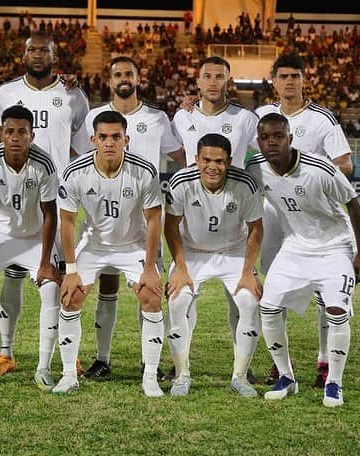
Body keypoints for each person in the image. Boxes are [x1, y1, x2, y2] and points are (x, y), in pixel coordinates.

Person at [0, 31, 91, 377]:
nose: (37, 55)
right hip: (17, 200)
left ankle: (67, 352)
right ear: (23, 55)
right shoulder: (6, 93)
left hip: (58, 198)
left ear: (54, 55)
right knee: (13, 276)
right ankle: (6, 353)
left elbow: (80, 147)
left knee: (62, 278)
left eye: (43, 50)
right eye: (31, 49)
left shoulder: (74, 95)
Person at [247, 113, 360, 407]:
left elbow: (354, 203)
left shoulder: (320, 168)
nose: (271, 142)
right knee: (267, 306)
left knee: (336, 309)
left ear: (290, 138)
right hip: (296, 247)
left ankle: (334, 383)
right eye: (265, 137)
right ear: (259, 142)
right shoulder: (256, 169)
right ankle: (287, 378)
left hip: (335, 246)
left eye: (278, 136)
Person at [82, 56, 184, 380]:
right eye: (117, 75)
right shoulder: (92, 118)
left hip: (143, 221)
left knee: (148, 289)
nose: (123, 79)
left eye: (129, 74)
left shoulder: (157, 118)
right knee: (106, 287)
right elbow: (82, 159)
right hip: (104, 220)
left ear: (138, 79)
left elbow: (182, 155)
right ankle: (102, 359)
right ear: (109, 81)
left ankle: (147, 361)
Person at [256, 53, 353, 387]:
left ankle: (325, 360)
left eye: (295, 75)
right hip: (274, 215)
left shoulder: (321, 118)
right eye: (282, 76)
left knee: (325, 293)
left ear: (303, 79)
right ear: (274, 80)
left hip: (312, 216)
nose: (289, 82)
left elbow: (344, 163)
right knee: (274, 290)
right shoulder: (262, 116)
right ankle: (280, 366)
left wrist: (308, 183)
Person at [52, 111, 165, 397]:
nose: (110, 142)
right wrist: (71, 268)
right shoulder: (75, 172)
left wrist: (150, 267)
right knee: (70, 295)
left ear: (126, 139)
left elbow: (154, 219)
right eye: (103, 137)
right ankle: (68, 375)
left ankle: (150, 376)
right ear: (93, 140)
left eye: (116, 137)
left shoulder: (144, 171)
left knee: (151, 296)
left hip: (133, 245)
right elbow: (66, 221)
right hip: (95, 245)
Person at [171, 56, 259, 382]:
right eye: (206, 76)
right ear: (197, 81)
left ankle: (242, 369)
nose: (212, 82)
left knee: (241, 301)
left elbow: (262, 151)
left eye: (219, 76)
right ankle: (179, 364)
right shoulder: (182, 115)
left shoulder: (245, 119)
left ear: (228, 81)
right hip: (193, 216)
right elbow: (177, 155)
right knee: (182, 296)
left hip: (233, 215)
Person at [0, 105, 61, 390]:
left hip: (33, 236)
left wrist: (44, 262)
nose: (15, 137)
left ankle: (43, 368)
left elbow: (50, 214)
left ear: (32, 135)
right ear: (1, 134)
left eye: (22, 132)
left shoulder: (45, 164)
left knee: (51, 288)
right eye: (9, 131)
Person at [165, 133, 263, 397]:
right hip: (192, 253)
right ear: (196, 159)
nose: (212, 166)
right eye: (206, 159)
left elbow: (256, 228)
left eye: (219, 161)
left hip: (233, 253)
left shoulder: (246, 184)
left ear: (229, 161)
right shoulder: (181, 181)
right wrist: (181, 268)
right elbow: (171, 226)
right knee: (177, 302)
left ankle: (240, 377)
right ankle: (181, 375)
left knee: (249, 301)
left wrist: (248, 272)